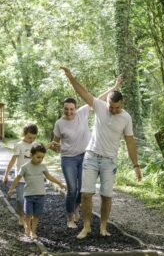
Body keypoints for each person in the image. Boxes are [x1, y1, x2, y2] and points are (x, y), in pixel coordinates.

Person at [60, 66, 142, 239]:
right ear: (108, 103)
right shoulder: (99, 106)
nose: (113, 110)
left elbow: (130, 141)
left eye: (116, 108)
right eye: (111, 107)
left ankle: (103, 227)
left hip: (109, 160)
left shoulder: (126, 118)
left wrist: (136, 165)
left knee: (106, 195)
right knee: (86, 194)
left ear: (122, 104)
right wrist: (70, 77)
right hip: (91, 155)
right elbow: (83, 92)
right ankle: (87, 226)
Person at [50, 81, 123, 229]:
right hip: (68, 159)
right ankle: (70, 218)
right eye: (66, 109)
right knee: (72, 189)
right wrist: (55, 148)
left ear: (76, 109)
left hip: (84, 156)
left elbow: (98, 99)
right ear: (63, 109)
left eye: (72, 109)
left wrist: (114, 88)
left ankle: (76, 207)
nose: (69, 112)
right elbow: (54, 143)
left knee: (83, 189)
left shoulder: (83, 112)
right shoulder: (59, 123)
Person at [7, 143, 66, 239]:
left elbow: (49, 177)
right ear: (31, 154)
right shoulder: (24, 167)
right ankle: (27, 227)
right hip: (29, 195)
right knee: (28, 215)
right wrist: (11, 189)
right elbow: (17, 179)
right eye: (38, 157)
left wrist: (60, 183)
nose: (40, 159)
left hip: (40, 195)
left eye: (42, 157)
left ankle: (33, 232)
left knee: (36, 215)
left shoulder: (42, 166)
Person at [3, 123, 38, 226]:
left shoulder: (35, 145)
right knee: (20, 199)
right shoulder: (19, 145)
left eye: (34, 138)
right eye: (29, 137)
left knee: (32, 199)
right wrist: (6, 174)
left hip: (33, 178)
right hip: (20, 178)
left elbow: (39, 160)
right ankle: (21, 217)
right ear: (24, 134)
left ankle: (29, 217)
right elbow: (12, 161)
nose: (31, 140)